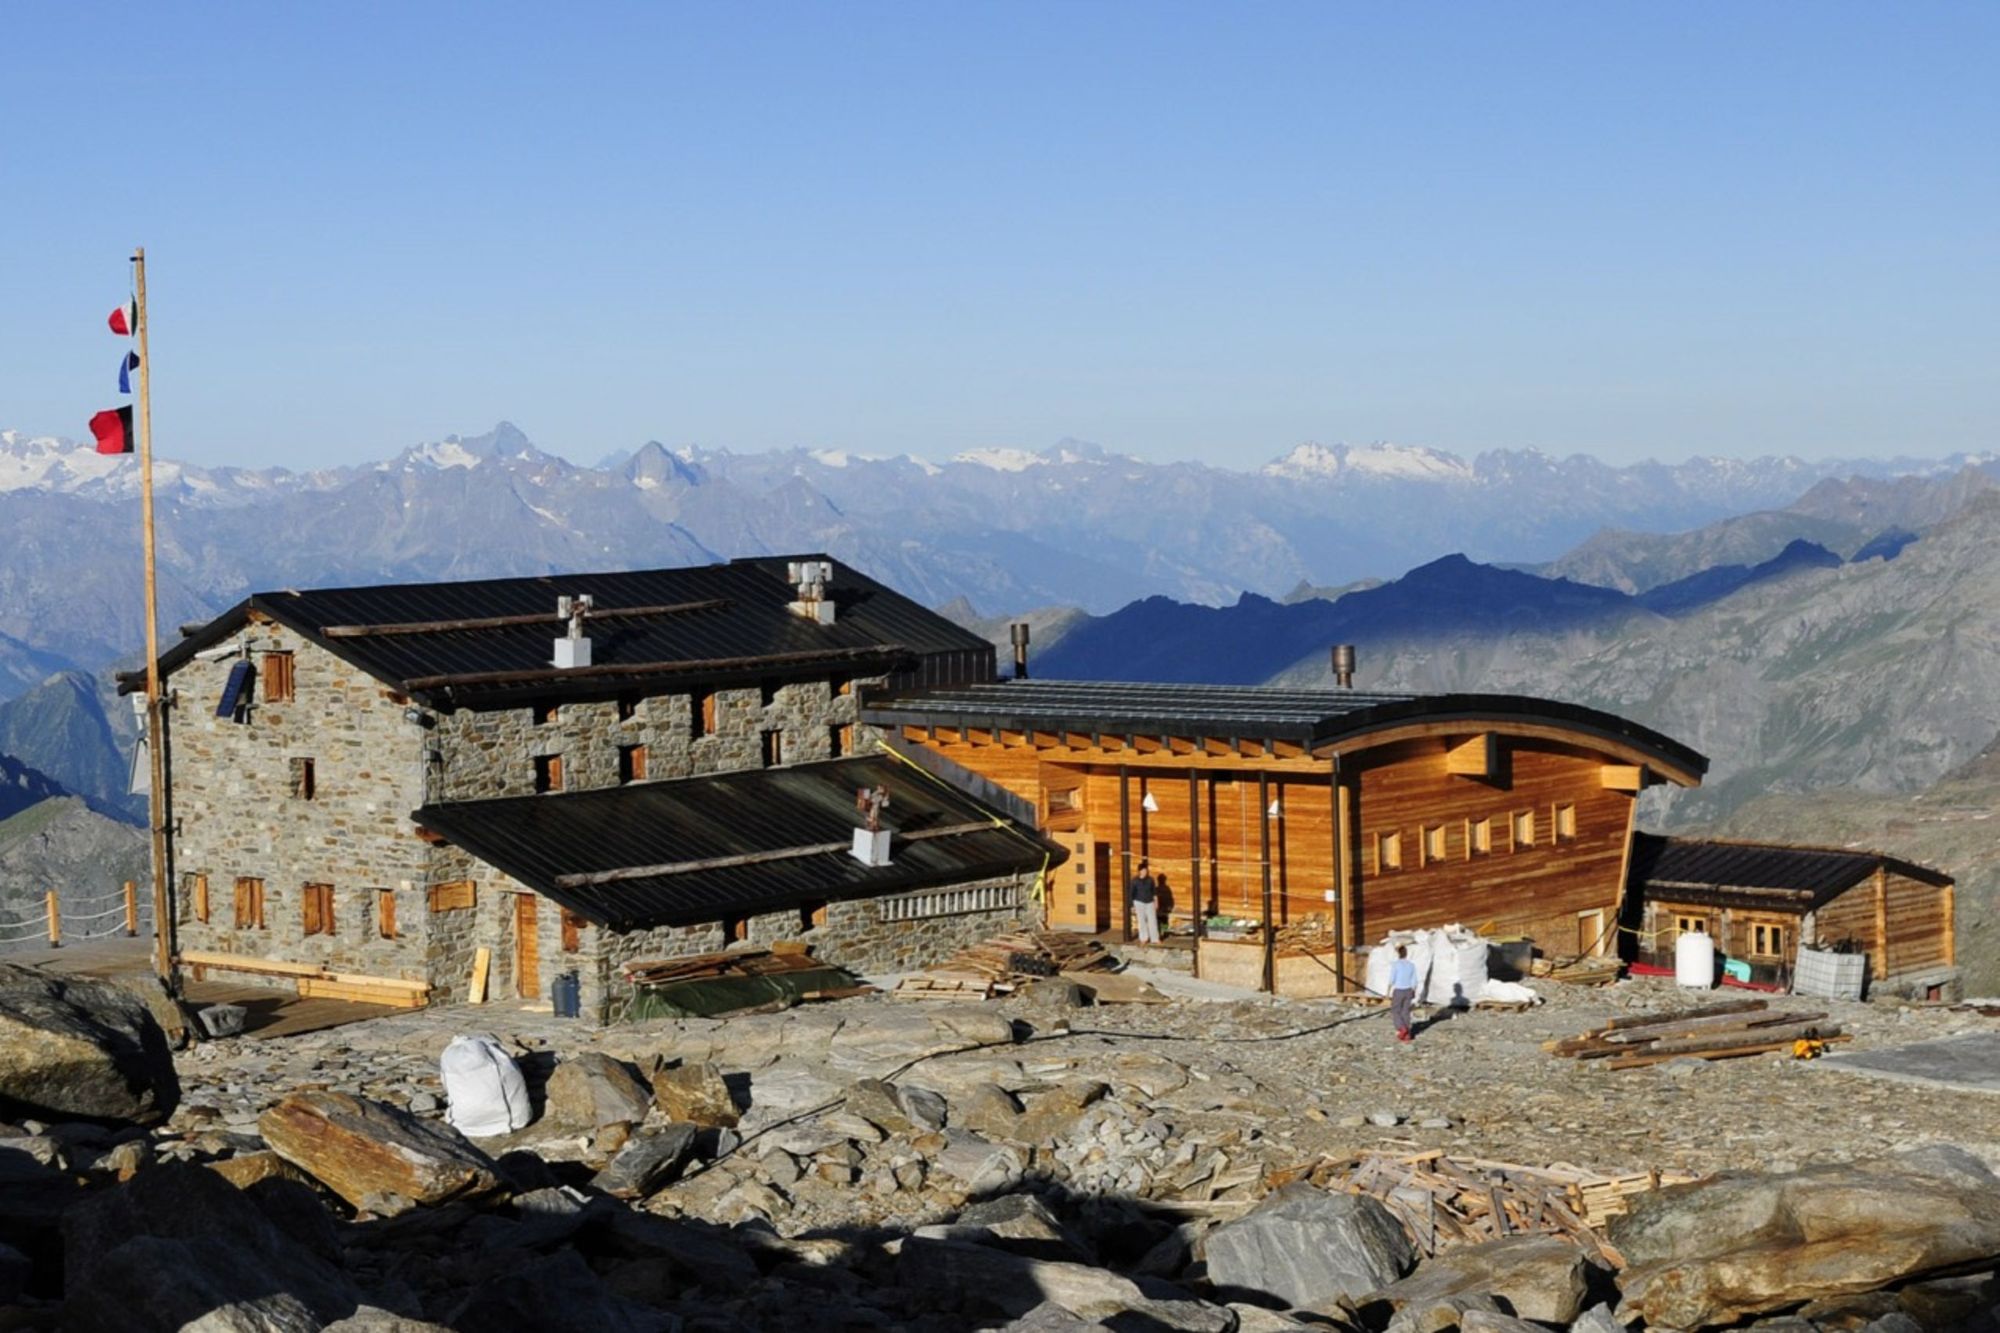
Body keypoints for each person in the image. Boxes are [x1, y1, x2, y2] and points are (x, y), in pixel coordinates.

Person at [1388, 944, 1418, 1042]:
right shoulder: (1411, 965)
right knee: (1406, 1011)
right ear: (1406, 954)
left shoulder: (1396, 964)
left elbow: (1392, 979)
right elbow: (1414, 980)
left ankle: (1401, 1028)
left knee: (1395, 1010)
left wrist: (1387, 991)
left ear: (1398, 954)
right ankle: (1407, 1034)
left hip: (1399, 990)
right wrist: (1414, 990)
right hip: (1409, 990)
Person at [1129, 860, 1160, 944]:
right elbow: (1131, 894)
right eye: (1143, 870)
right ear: (1139, 871)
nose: (1145, 872)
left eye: (1146, 870)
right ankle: (1144, 938)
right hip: (1139, 902)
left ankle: (1155, 939)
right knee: (1141, 920)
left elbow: (1154, 892)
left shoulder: (1150, 880)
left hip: (1150, 902)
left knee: (1152, 920)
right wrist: (1131, 906)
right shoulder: (1134, 881)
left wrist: (1156, 902)